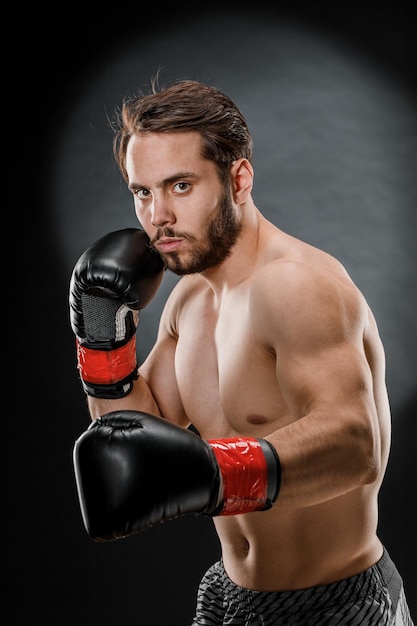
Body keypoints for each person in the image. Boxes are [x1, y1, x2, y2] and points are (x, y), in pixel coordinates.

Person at [69, 78, 414, 625]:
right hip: (230, 598)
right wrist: (100, 338)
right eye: (142, 192)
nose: (157, 216)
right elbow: (129, 440)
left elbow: (356, 443)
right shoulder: (190, 302)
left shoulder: (296, 286)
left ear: (239, 179)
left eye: (180, 187)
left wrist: (215, 475)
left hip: (335, 606)